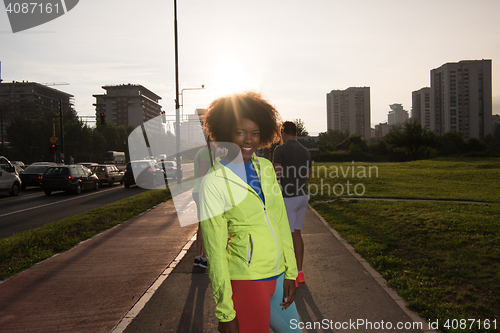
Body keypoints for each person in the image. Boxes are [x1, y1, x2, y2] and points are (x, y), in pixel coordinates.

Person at [199, 92, 301, 333]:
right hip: (247, 280)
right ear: (225, 134)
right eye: (240, 132)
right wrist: (225, 313)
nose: (249, 140)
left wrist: (291, 273)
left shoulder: (265, 168)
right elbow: (214, 252)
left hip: (279, 276)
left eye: (255, 133)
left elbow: (280, 222)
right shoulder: (213, 183)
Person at [273, 121, 311, 288]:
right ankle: (299, 273)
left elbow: (276, 173)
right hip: (303, 195)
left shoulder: (280, 149)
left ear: (283, 132)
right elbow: (308, 176)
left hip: (288, 197)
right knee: (297, 233)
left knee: (286, 236)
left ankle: (289, 275)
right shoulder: (305, 150)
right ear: (296, 132)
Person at [192, 140, 212, 268]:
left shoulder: (201, 151)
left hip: (197, 191)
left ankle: (198, 256)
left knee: (202, 224)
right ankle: (204, 257)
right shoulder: (206, 153)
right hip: (203, 192)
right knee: (207, 225)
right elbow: (202, 175)